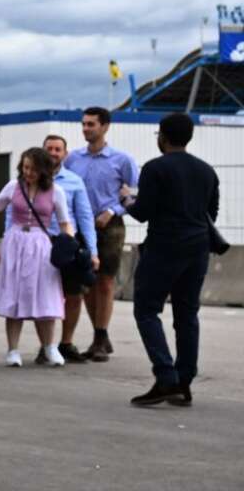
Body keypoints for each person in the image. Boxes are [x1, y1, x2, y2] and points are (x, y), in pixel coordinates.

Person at [125, 113, 220, 407]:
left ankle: (166, 377)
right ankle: (184, 380)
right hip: (198, 249)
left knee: (146, 310)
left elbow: (142, 212)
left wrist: (126, 199)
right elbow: (211, 213)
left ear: (162, 136)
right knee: (187, 315)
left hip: (164, 247)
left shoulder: (155, 168)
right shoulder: (206, 171)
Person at [64, 106, 139, 363]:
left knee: (105, 280)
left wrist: (114, 210)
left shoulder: (122, 160)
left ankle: (100, 335)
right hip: (81, 227)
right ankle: (100, 335)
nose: (86, 129)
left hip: (109, 226)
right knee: (86, 282)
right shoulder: (73, 159)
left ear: (105, 126)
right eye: (84, 124)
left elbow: (134, 194)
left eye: (91, 124)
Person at [0, 147, 75, 367]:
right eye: (26, 167)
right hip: (15, 241)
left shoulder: (56, 191)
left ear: (44, 171)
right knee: (14, 295)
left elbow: (65, 223)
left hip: (41, 244)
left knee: (45, 294)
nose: (28, 173)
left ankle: (49, 347)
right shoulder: (13, 186)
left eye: (34, 169)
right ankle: (12, 350)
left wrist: (69, 246)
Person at [44, 135, 100, 363]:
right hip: (41, 244)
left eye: (58, 149)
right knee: (45, 297)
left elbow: (85, 217)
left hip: (68, 244)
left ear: (65, 154)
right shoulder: (31, 179)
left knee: (73, 295)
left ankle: (66, 343)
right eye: (49, 149)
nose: (54, 153)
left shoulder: (75, 181)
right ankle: (46, 345)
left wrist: (93, 251)